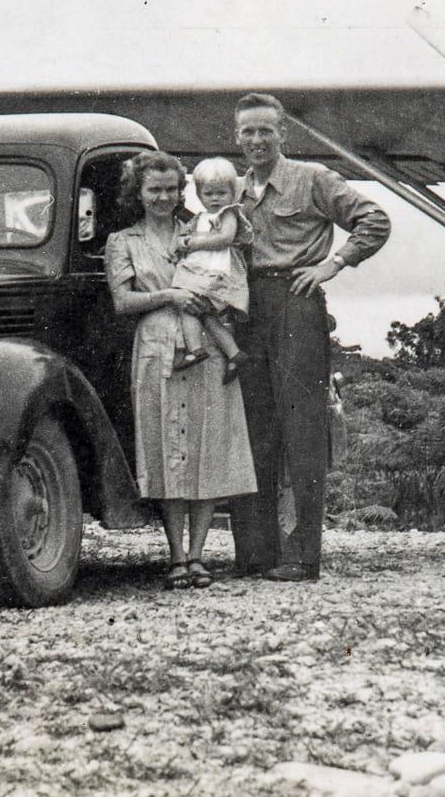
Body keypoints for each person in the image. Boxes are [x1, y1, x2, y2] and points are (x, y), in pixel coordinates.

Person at [230, 92, 391, 582]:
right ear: (236, 138)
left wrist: (332, 264)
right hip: (246, 308)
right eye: (248, 132)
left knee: (302, 432)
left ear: (284, 134)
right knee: (254, 430)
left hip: (296, 304)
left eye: (265, 130)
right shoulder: (233, 192)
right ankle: (255, 554)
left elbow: (375, 220)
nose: (257, 140)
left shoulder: (313, 178)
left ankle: (303, 557)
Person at [103, 151, 257, 589]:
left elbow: (229, 271)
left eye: (171, 188)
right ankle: (174, 556)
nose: (164, 197)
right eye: (154, 189)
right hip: (157, 345)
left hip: (207, 344)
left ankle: (198, 555)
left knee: (206, 443)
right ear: (138, 191)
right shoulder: (123, 241)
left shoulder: (200, 229)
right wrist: (170, 296)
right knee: (169, 448)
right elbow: (122, 301)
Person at [171, 158, 251, 380]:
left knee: (190, 306)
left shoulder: (228, 213)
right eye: (209, 194)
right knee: (204, 312)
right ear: (199, 194)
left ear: (232, 193)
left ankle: (194, 350)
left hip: (216, 271)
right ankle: (234, 353)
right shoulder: (199, 218)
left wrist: (193, 243)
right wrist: (183, 241)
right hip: (202, 270)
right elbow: (184, 237)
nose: (215, 199)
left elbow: (225, 238)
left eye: (221, 193)